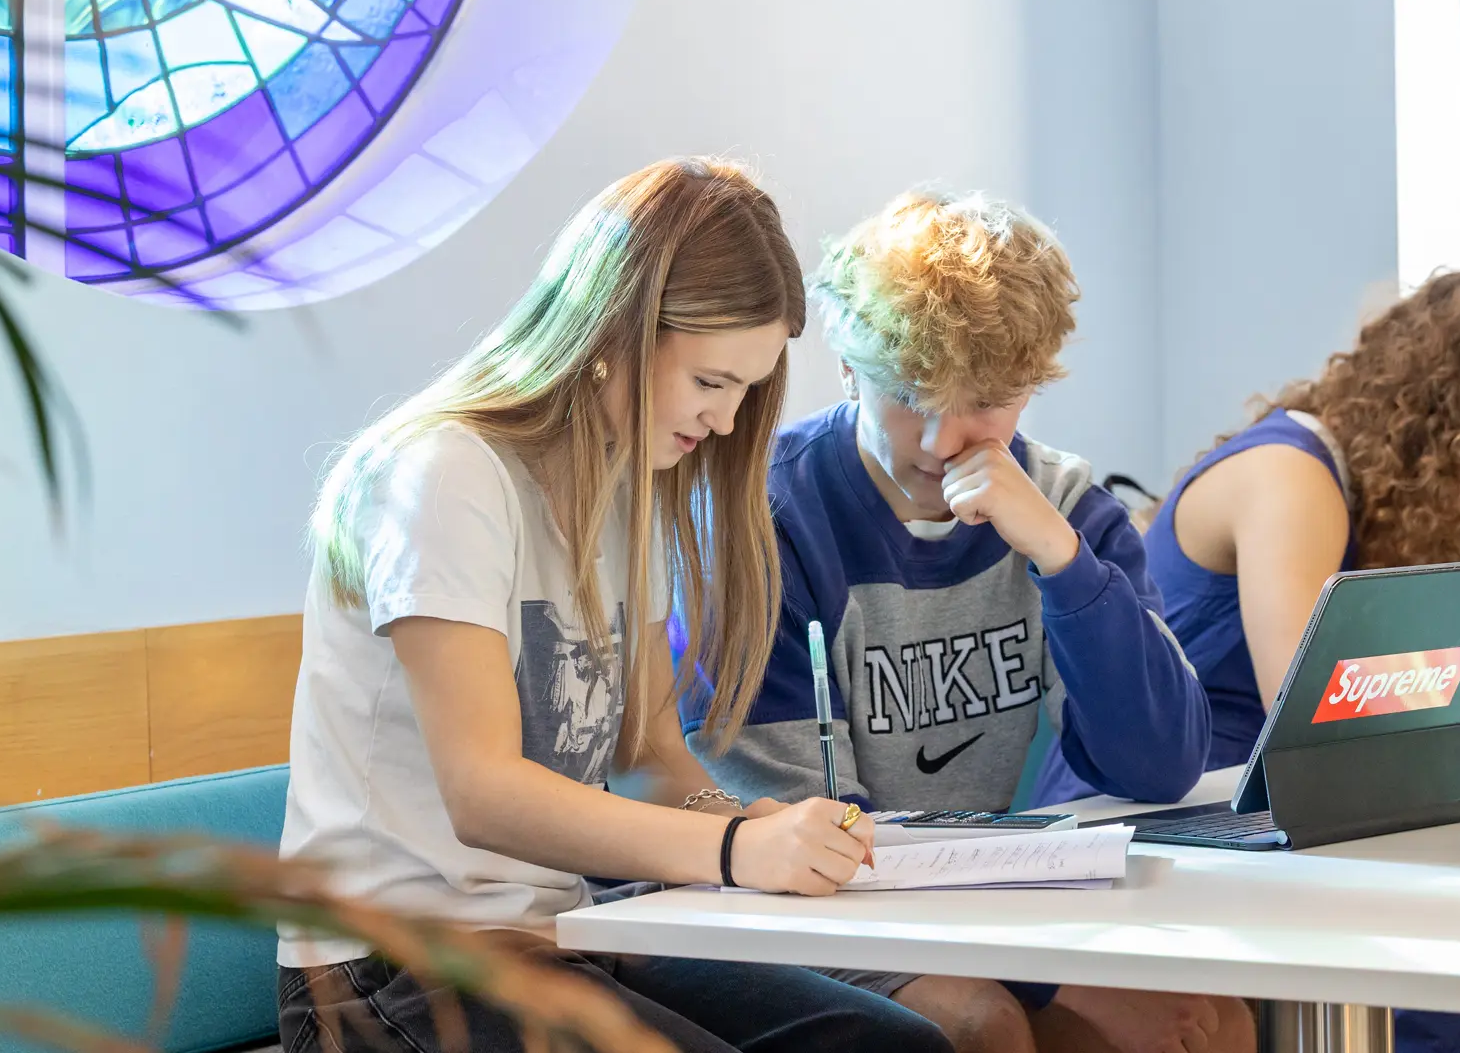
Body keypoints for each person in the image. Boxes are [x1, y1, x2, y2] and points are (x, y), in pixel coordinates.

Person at [276, 159, 955, 1053]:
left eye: (746, 391)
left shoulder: (627, 485)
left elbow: (644, 757)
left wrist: (747, 820)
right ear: (614, 332)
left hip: (565, 939)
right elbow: (481, 792)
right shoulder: (443, 472)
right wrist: (731, 854)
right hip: (389, 969)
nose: (724, 421)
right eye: (711, 382)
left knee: (893, 1046)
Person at [681, 190, 1252, 1053]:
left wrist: (1063, 565)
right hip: (784, 911)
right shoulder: (765, 520)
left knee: (1211, 1022)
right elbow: (796, 828)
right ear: (847, 368)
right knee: (977, 1023)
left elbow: (1160, 765)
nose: (946, 439)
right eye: (910, 395)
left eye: (988, 400)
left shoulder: (1064, 508)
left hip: (955, 905)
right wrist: (1045, 975)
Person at [1142, 267, 1460, 1053]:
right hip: (1198, 817)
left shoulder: (1359, 493)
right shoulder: (1290, 474)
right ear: (1455, 422)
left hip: (1294, 826)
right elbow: (1311, 706)